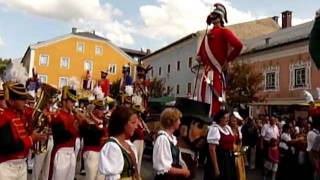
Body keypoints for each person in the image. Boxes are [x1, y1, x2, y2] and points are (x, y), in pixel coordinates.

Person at [197, 3, 243, 116]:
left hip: (209, 75)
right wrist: (228, 60)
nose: (213, 18)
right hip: (211, 76)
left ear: (220, 17)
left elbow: (199, 58)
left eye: (215, 15)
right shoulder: (210, 35)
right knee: (208, 104)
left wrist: (227, 60)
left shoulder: (221, 32)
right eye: (213, 15)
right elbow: (238, 46)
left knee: (209, 103)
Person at [0, 82, 47, 180]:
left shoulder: (23, 115)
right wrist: (31, 139)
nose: (25, 101)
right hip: (6, 167)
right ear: (12, 101)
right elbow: (6, 146)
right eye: (22, 99)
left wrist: (38, 135)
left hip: (22, 164)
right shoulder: (3, 117)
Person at [99, 106, 140, 180]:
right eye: (133, 123)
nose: (136, 126)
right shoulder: (112, 147)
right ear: (122, 124)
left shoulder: (127, 144)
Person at [49, 86, 81, 180]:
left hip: (71, 152)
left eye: (74, 102)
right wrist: (74, 128)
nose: (73, 104)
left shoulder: (73, 116)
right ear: (64, 101)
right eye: (71, 101)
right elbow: (59, 137)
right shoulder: (57, 115)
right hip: (61, 152)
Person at [153, 107, 190, 180]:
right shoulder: (163, 139)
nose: (180, 122)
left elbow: (178, 160)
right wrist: (183, 171)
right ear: (172, 121)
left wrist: (184, 167)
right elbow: (164, 167)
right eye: (178, 119)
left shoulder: (172, 139)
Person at [204, 110, 236, 180]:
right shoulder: (215, 129)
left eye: (228, 117)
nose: (227, 119)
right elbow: (212, 149)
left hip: (228, 159)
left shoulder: (228, 128)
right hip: (219, 159)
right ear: (220, 118)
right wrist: (216, 168)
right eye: (225, 117)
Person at [80, 99, 107, 180]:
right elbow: (96, 134)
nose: (102, 111)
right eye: (100, 109)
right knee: (91, 177)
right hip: (91, 152)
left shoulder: (101, 121)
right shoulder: (87, 122)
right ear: (94, 110)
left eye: (102, 109)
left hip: (101, 153)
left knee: (100, 178)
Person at [230, 111, 246, 180]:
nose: (234, 122)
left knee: (238, 170)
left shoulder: (238, 130)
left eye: (235, 121)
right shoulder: (228, 129)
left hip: (237, 152)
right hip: (230, 151)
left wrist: (240, 149)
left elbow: (240, 142)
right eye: (232, 121)